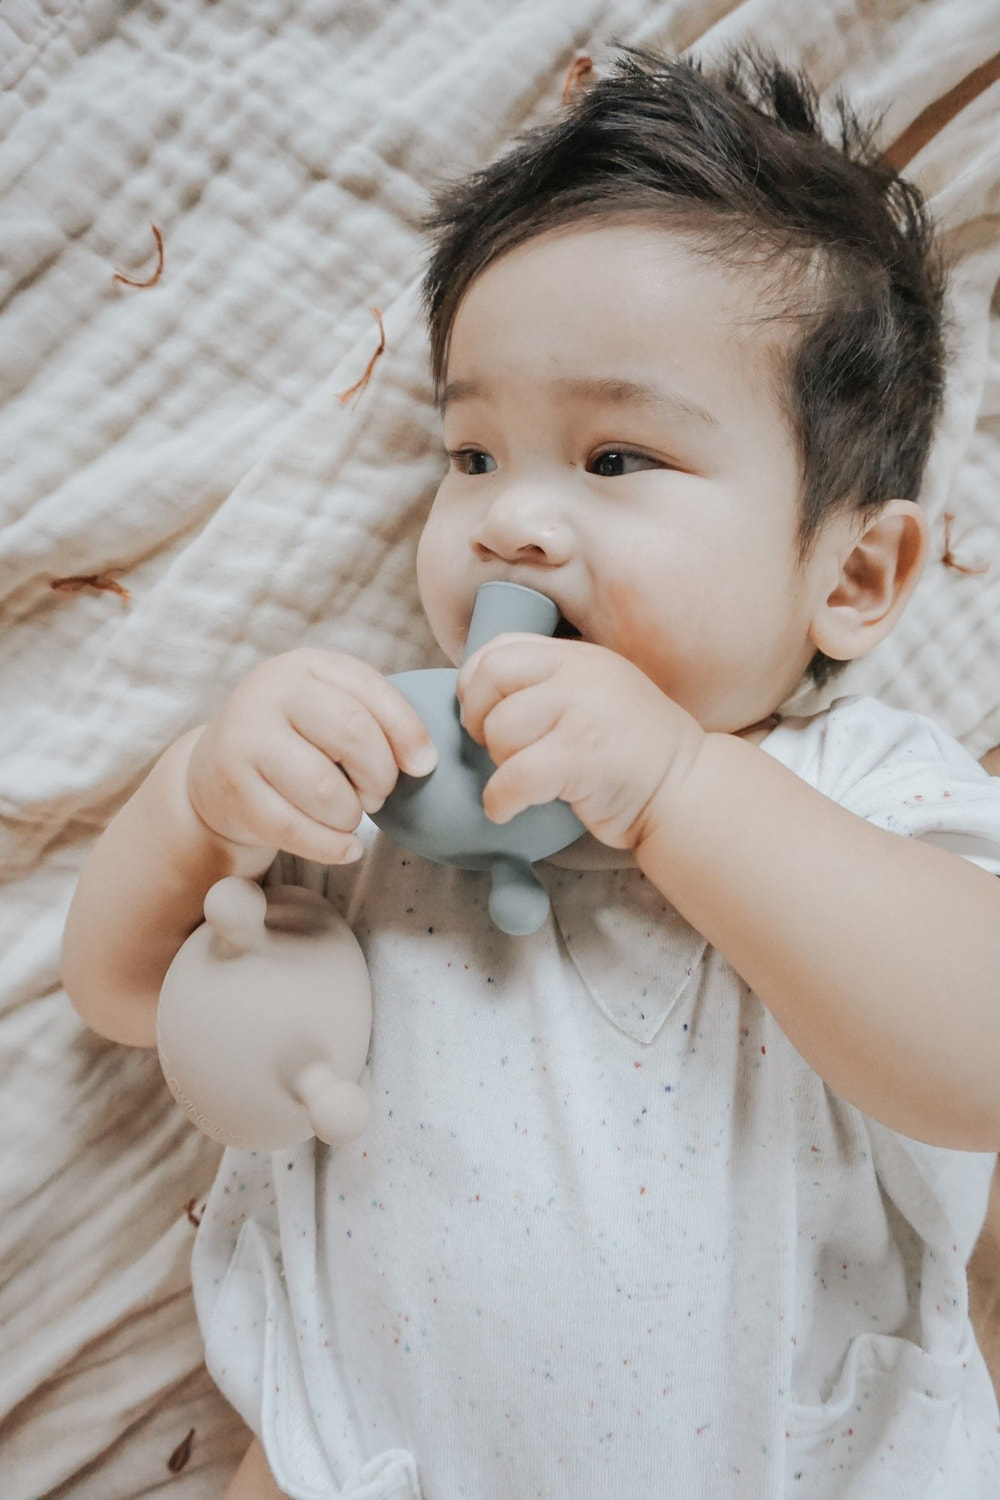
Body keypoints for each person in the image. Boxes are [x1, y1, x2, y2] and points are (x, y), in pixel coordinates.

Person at [61, 47, 1000, 1500]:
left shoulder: (861, 792)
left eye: (616, 459)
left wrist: (678, 787)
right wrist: (200, 803)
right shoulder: (379, 773)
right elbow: (123, 993)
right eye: (474, 454)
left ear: (855, 575)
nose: (510, 525)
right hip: (355, 1460)